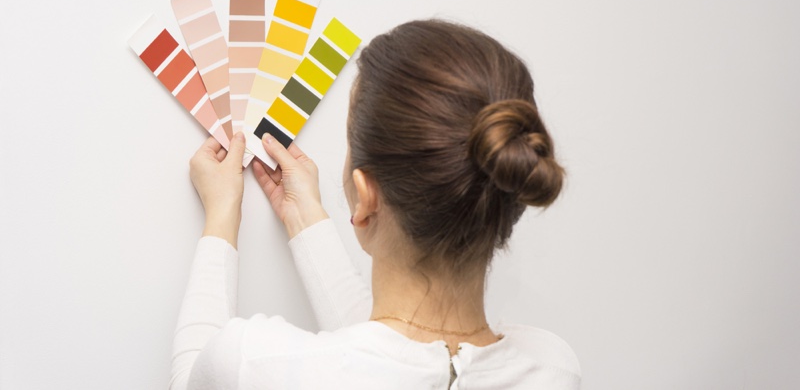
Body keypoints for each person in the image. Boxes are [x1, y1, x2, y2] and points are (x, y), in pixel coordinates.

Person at [170, 20, 581, 389]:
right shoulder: (552, 369)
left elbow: (194, 379)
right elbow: (389, 363)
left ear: (365, 197)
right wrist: (305, 217)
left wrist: (222, 214)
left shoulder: (255, 364)